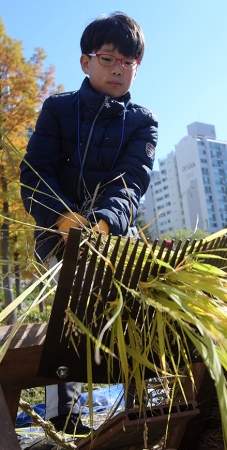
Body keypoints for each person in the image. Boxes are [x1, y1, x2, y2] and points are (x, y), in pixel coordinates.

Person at [20, 11, 158, 436]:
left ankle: (144, 406)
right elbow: (35, 172)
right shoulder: (58, 109)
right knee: (69, 312)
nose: (119, 69)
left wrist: (103, 223)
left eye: (128, 62)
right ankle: (62, 412)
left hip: (114, 235)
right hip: (59, 233)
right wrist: (64, 219)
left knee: (143, 300)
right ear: (86, 62)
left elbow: (132, 181)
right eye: (108, 58)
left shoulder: (142, 121)